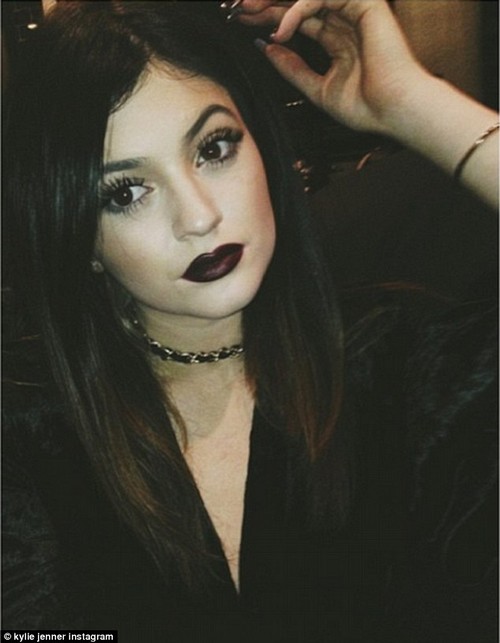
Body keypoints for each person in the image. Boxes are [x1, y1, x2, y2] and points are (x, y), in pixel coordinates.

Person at [2, 1, 497, 641]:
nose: (198, 216)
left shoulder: (398, 362)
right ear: (78, 235)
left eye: (214, 148)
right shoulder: (30, 436)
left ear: (264, 146)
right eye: (125, 192)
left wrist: (415, 104)